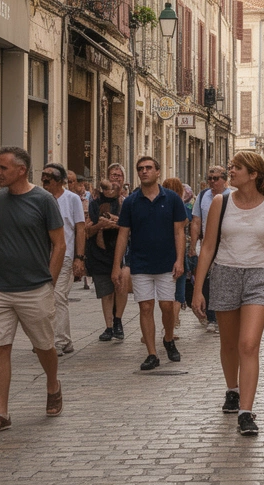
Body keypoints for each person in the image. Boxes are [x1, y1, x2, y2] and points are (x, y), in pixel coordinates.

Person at [192, 151, 264, 436]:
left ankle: (246, 411)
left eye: (237, 168)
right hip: (225, 274)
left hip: (258, 277)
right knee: (229, 344)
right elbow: (208, 247)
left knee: (248, 345)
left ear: (253, 174)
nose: (230, 171)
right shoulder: (220, 203)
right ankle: (232, 389)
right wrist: (197, 289)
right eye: (231, 167)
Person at [0, 147, 65, 435]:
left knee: (43, 346)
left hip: (35, 288)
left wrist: (49, 283)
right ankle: (1, 413)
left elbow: (59, 244)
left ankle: (52, 383)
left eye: (3, 168)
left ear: (21, 170)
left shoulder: (44, 200)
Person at [113, 156, 188, 371]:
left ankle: (168, 338)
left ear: (157, 172)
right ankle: (152, 353)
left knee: (167, 306)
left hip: (166, 263)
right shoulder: (131, 202)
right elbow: (123, 235)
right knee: (145, 307)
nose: (144, 171)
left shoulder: (172, 199)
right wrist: (116, 266)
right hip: (140, 264)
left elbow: (179, 232)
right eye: (140, 168)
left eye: (148, 168)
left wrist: (179, 260)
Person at [41, 163, 86, 356]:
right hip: (43, 257)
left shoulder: (72, 199)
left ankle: (58, 341)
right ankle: (62, 340)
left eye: (48, 177)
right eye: (42, 176)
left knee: (58, 296)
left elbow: (80, 228)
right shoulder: (40, 199)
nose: (44, 180)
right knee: (44, 298)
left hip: (65, 256)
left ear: (59, 181)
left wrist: (79, 257)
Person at [87, 165, 129, 338]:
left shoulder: (127, 202)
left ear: (123, 179)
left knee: (121, 286)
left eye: (119, 175)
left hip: (122, 251)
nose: (116, 178)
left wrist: (117, 223)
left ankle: (118, 320)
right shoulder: (95, 202)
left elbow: (132, 226)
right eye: (113, 175)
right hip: (100, 252)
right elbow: (88, 229)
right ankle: (109, 326)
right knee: (106, 291)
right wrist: (101, 225)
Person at [189, 166, 231, 333]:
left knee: (224, 282)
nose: (212, 182)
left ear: (224, 180)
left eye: (216, 178)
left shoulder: (232, 196)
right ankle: (212, 317)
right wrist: (193, 246)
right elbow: (196, 221)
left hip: (227, 247)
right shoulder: (202, 196)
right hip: (207, 246)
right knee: (208, 282)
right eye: (210, 178)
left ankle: (224, 316)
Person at [163, 177, 192, 335]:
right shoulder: (183, 207)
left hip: (164, 254)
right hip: (180, 253)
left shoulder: (161, 207)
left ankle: (168, 326)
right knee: (178, 293)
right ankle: (172, 326)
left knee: (164, 294)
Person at [66, 171, 92, 290]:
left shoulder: (79, 198)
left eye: (71, 182)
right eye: (67, 181)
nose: (69, 184)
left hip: (80, 232)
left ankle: (84, 276)